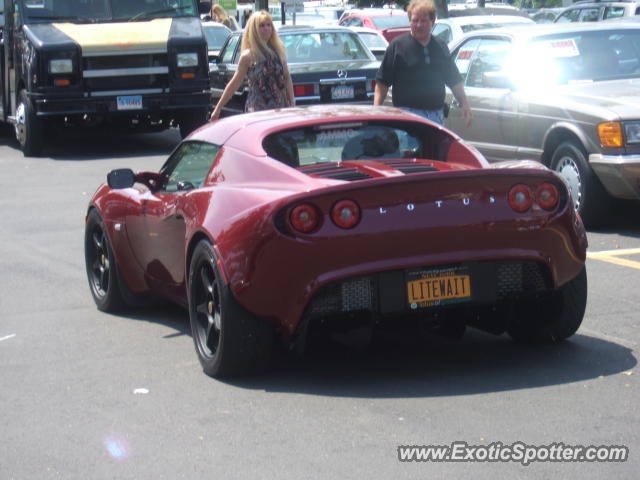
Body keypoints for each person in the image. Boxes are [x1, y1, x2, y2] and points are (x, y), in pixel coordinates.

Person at [374, 0, 472, 127]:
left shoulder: (440, 46)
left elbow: (453, 79)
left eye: (423, 21)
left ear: (432, 21)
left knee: (434, 148)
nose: (419, 25)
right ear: (410, 21)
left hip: (435, 115)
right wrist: (376, 110)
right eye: (415, 20)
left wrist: (465, 104)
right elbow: (382, 83)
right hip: (406, 115)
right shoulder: (397, 46)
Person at [210, 11, 295, 121]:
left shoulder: (279, 51)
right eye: (262, 25)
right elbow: (235, 83)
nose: (266, 28)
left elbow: (287, 77)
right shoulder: (248, 56)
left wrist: (292, 101)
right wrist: (218, 108)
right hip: (257, 109)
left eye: (269, 25)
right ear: (254, 30)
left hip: (279, 108)